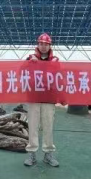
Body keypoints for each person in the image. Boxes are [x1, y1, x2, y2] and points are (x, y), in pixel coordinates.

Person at [24, 33, 60, 168]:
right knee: (33, 126)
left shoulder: (55, 61)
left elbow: (59, 77)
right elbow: (21, 72)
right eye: (41, 44)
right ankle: (32, 153)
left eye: (46, 44)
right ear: (37, 45)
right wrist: (29, 63)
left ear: (50, 46)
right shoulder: (30, 58)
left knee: (48, 126)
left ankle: (48, 153)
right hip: (34, 97)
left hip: (49, 98)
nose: (43, 46)